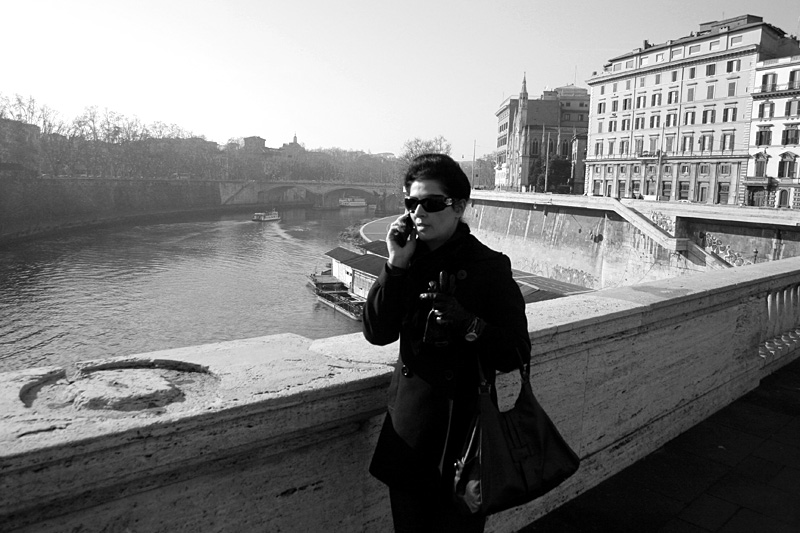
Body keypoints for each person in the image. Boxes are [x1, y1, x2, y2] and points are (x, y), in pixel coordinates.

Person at [362, 153, 531, 532]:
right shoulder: (406, 260)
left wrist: (468, 323)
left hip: (466, 442)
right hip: (410, 438)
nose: (419, 212)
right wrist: (394, 265)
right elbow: (376, 332)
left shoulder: (489, 267)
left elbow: (516, 352)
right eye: (411, 203)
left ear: (459, 207)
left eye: (431, 203)